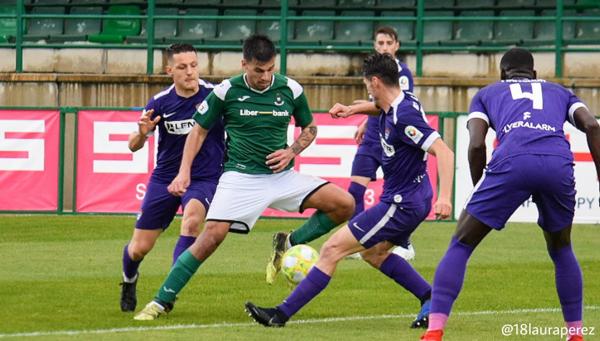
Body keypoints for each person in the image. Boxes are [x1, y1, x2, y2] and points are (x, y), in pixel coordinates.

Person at [133, 35, 354, 320]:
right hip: (240, 178)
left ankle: (288, 242)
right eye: (258, 71)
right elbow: (198, 130)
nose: (265, 77)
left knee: (345, 204)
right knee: (211, 236)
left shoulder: (290, 89)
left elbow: (309, 127)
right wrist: (184, 171)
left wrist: (291, 151)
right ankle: (160, 301)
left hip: (281, 176)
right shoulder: (227, 91)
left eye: (270, 69)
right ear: (244, 65)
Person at [245, 53, 454, 329]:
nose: (368, 90)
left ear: (376, 82)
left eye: (368, 85)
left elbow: (444, 151)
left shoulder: (404, 116)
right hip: (414, 198)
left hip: (401, 204)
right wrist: (354, 110)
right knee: (374, 254)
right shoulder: (401, 102)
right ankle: (430, 298)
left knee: (332, 249)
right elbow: (380, 108)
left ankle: (279, 315)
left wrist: (445, 198)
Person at [421, 48, 600, 341]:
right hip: (557, 164)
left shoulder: (487, 93)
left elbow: (477, 144)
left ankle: (435, 331)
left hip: (512, 162)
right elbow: (592, 125)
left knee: (461, 243)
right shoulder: (560, 92)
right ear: (535, 74)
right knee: (561, 248)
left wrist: (480, 184)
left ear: (502, 74)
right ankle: (576, 334)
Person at [119, 43, 225, 312]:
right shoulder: (161, 102)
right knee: (138, 249)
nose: (190, 72)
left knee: (191, 223)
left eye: (194, 65)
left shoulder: (216, 95)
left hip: (205, 177)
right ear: (170, 70)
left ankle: (169, 291)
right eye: (182, 67)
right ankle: (129, 279)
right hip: (165, 177)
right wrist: (142, 133)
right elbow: (133, 145)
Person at [336, 26, 417, 261]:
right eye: (380, 43)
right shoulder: (374, 70)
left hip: (392, 139)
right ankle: (359, 242)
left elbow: (392, 106)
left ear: (397, 46)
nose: (384, 47)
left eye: (388, 43)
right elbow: (379, 104)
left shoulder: (402, 73)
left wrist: (356, 109)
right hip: (372, 137)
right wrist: (365, 121)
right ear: (375, 45)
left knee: (395, 196)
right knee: (354, 191)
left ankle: (406, 243)